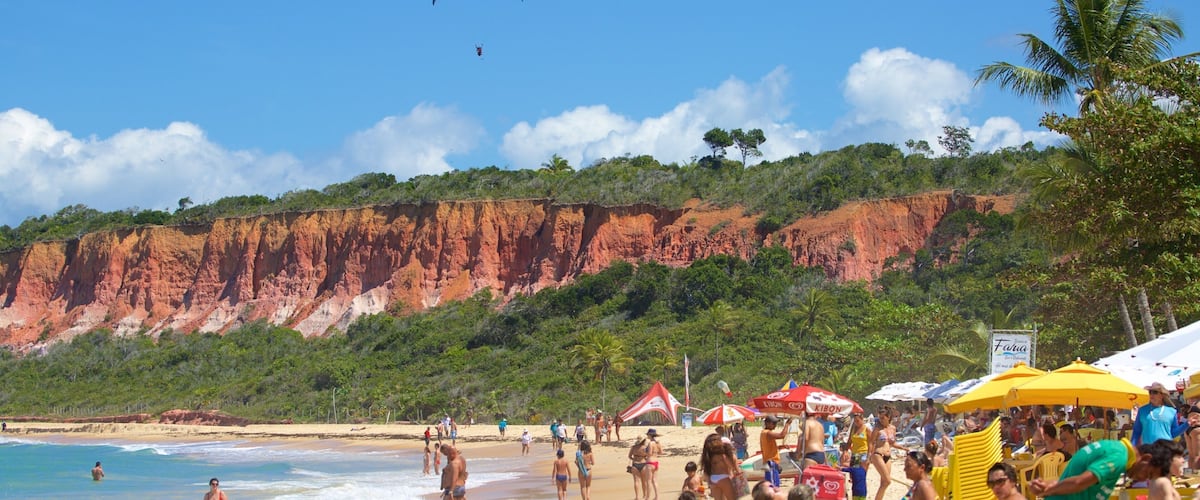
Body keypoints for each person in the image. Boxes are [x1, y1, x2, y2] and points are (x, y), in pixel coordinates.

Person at [1030, 438, 1157, 499]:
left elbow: (1071, 479)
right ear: (1146, 458)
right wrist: (1047, 490)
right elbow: (1079, 482)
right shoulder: (1119, 457)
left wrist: (1047, 486)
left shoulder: (1114, 448)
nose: (1144, 479)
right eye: (1148, 474)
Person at [868, 407, 899, 500]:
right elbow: (871, 442)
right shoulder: (877, 429)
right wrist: (869, 455)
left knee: (884, 483)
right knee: (887, 481)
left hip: (888, 456)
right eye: (879, 418)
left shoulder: (893, 428)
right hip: (878, 454)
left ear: (888, 417)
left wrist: (904, 448)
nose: (880, 420)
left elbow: (892, 443)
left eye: (882, 418)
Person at [700, 432, 740, 500]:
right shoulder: (723, 455)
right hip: (723, 478)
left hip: (713, 478)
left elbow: (706, 471)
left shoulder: (709, 456)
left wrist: (709, 481)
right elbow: (732, 466)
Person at [759, 415, 793, 488]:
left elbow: (768, 448)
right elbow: (782, 435)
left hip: (769, 462)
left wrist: (781, 447)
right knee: (773, 485)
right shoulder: (767, 433)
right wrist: (787, 424)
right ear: (767, 423)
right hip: (770, 462)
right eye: (773, 423)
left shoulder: (764, 433)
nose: (775, 425)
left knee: (772, 484)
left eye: (775, 423)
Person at [645, 428, 663, 500]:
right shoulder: (657, 443)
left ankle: (648, 497)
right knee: (654, 480)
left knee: (649, 481)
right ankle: (657, 496)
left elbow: (649, 453)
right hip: (656, 462)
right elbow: (661, 452)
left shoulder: (650, 443)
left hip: (650, 462)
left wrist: (645, 453)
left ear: (650, 435)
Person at [1186, 405, 1200, 469]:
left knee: (1191, 455)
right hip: (1197, 428)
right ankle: (1196, 474)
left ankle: (1189, 473)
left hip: (1188, 428)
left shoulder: (1193, 405)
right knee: (1197, 455)